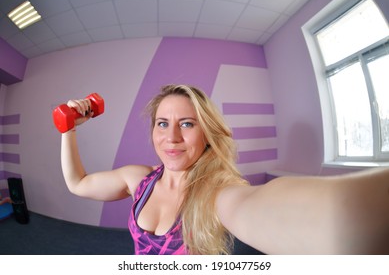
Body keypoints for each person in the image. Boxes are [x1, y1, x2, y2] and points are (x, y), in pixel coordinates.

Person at [61, 84, 389, 255]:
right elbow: (79, 183)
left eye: (187, 124)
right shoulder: (139, 179)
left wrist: (351, 218)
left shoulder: (218, 192)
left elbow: (334, 222)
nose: (172, 137)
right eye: (163, 124)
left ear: (207, 134)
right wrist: (69, 130)